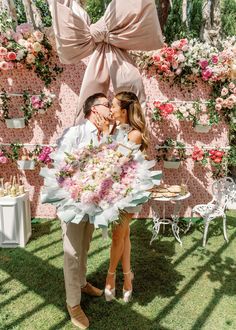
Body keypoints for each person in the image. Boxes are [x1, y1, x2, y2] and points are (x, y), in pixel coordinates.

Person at [57, 93, 111, 329]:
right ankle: (73, 304)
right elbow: (62, 168)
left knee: (85, 246)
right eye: (107, 106)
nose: (111, 110)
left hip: (93, 205)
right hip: (73, 204)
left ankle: (81, 283)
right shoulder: (74, 133)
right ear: (94, 110)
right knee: (72, 254)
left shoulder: (105, 135)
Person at [104, 91, 149, 303]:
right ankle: (128, 277)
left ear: (123, 111)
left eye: (113, 106)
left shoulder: (134, 134)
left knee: (117, 236)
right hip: (115, 189)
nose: (110, 109)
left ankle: (110, 278)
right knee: (123, 236)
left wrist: (105, 135)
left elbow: (114, 161)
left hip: (127, 193)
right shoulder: (117, 130)